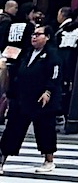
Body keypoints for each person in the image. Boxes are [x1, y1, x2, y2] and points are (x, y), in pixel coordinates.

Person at [0, 22, 65, 173]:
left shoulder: (52, 55)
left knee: (45, 129)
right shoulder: (27, 53)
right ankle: (2, 160)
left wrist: (48, 91)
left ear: (47, 37)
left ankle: (49, 160)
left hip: (41, 98)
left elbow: (55, 75)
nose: (34, 37)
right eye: (33, 34)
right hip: (23, 96)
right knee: (13, 128)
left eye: (38, 34)